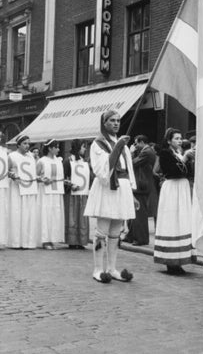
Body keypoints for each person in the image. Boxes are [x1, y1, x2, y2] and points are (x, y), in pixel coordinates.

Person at [84, 110, 136, 283]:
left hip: (122, 188)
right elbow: (101, 170)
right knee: (102, 230)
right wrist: (117, 147)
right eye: (112, 120)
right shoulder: (98, 144)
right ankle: (98, 269)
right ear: (104, 122)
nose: (116, 123)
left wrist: (132, 192)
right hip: (107, 189)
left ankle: (112, 268)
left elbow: (128, 170)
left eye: (118, 120)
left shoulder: (124, 145)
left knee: (115, 231)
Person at [153, 128, 196, 274]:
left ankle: (179, 259)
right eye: (176, 138)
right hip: (172, 188)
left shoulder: (179, 153)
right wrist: (184, 159)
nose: (179, 140)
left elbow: (187, 173)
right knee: (172, 221)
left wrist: (189, 159)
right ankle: (170, 261)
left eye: (180, 138)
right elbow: (172, 171)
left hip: (182, 188)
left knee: (182, 221)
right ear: (169, 140)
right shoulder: (165, 153)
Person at [8, 135, 40, 249]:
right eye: (24, 143)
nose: (27, 146)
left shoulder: (31, 157)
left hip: (30, 188)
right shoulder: (12, 156)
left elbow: (33, 172)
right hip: (17, 188)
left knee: (29, 214)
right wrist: (12, 175)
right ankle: (16, 241)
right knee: (17, 213)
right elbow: (6, 171)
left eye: (28, 143)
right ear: (18, 144)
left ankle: (28, 241)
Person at [127, 134, 157, 246]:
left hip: (142, 186)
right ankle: (131, 236)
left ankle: (141, 239)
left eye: (136, 143)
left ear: (141, 142)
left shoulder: (147, 152)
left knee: (140, 215)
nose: (135, 146)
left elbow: (132, 163)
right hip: (141, 185)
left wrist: (130, 152)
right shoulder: (146, 151)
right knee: (135, 213)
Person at [37, 139, 66, 249]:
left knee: (55, 214)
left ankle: (53, 239)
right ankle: (45, 240)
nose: (58, 149)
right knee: (46, 215)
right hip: (46, 193)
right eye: (56, 147)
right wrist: (43, 180)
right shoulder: (42, 161)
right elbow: (35, 177)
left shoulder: (59, 160)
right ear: (50, 148)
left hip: (57, 192)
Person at [63, 139, 90, 249]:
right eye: (83, 147)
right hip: (72, 195)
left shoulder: (84, 161)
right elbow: (63, 178)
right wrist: (70, 185)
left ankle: (81, 240)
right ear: (78, 148)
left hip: (82, 194)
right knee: (73, 216)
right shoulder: (68, 161)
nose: (85, 149)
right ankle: (72, 241)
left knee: (82, 217)